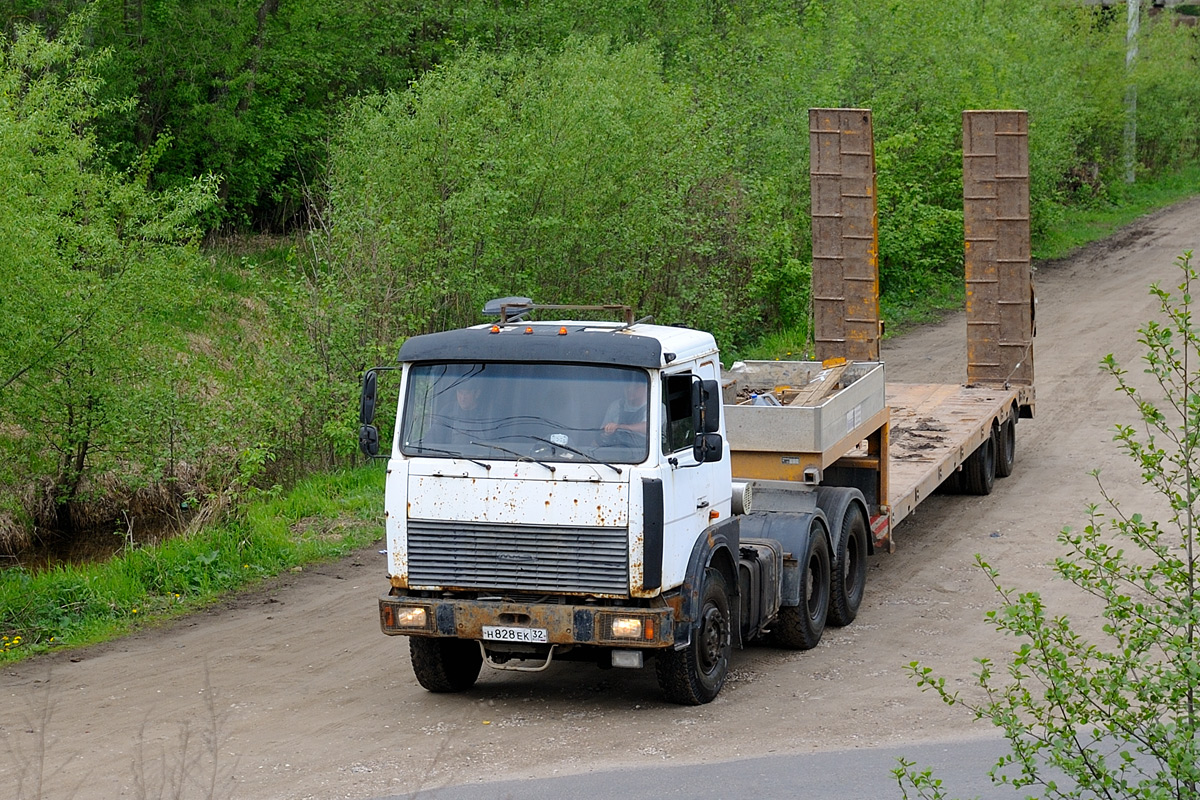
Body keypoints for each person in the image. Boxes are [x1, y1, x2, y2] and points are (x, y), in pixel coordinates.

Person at [601, 378, 648, 444]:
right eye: (627, 386)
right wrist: (606, 433)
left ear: (646, 388)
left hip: (645, 451)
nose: (629, 390)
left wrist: (620, 427)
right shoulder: (616, 406)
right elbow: (602, 430)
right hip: (616, 448)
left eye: (635, 387)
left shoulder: (654, 406)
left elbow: (649, 428)